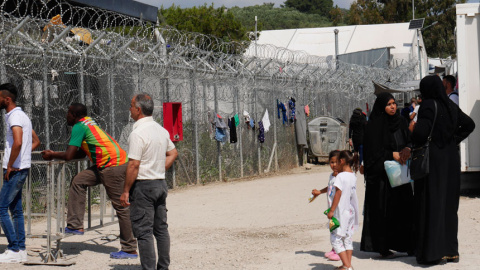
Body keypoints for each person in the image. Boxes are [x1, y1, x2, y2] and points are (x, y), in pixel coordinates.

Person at [40, 103, 138, 259]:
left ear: (74, 115)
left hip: (111, 166)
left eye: (68, 113)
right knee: (79, 180)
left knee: (121, 207)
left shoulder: (79, 126)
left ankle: (129, 248)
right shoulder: (89, 122)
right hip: (110, 163)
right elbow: (80, 154)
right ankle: (75, 225)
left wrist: (52, 154)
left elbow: (69, 156)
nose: (66, 116)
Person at [410, 75, 475, 264]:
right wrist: (453, 140)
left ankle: (433, 253)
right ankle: (451, 251)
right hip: (451, 159)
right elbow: (469, 124)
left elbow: (422, 133)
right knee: (448, 205)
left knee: (432, 203)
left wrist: (412, 129)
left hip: (434, 161)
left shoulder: (428, 105)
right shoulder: (450, 105)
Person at [120, 93, 178, 270]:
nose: (129, 109)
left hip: (143, 186)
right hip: (159, 183)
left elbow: (134, 165)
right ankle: (163, 267)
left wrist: (126, 191)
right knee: (161, 229)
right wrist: (159, 168)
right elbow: (173, 153)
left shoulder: (138, 133)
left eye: (131, 106)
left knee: (144, 232)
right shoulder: (160, 130)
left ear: (138, 110)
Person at [360, 92, 415, 258]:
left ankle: (408, 245)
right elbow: (372, 152)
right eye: (388, 104)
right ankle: (383, 247)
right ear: (381, 107)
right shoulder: (374, 126)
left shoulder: (401, 122)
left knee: (404, 209)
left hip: (400, 176)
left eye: (394, 103)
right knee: (383, 211)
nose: (392, 107)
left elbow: (409, 140)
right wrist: (392, 154)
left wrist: (407, 150)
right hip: (382, 179)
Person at [0, 83, 40, 263]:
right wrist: (23, 156)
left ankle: (14, 248)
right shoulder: (21, 115)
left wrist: (10, 165)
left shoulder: (15, 116)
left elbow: (17, 142)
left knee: (1, 208)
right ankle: (21, 249)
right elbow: (35, 141)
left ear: (7, 99)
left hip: (14, 170)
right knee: (15, 209)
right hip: (20, 167)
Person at [326, 150, 359, 270]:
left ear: (342, 161)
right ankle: (347, 265)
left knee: (335, 239)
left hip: (340, 212)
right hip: (350, 212)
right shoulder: (352, 176)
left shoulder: (340, 176)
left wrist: (331, 210)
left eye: (337, 162)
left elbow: (338, 194)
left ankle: (346, 265)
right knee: (347, 238)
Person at [311, 150, 341, 261]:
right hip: (331, 207)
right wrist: (319, 192)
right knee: (333, 228)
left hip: (337, 208)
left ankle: (339, 252)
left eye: (337, 162)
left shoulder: (341, 177)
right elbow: (330, 187)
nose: (334, 165)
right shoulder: (331, 176)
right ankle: (334, 249)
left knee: (338, 229)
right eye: (332, 162)